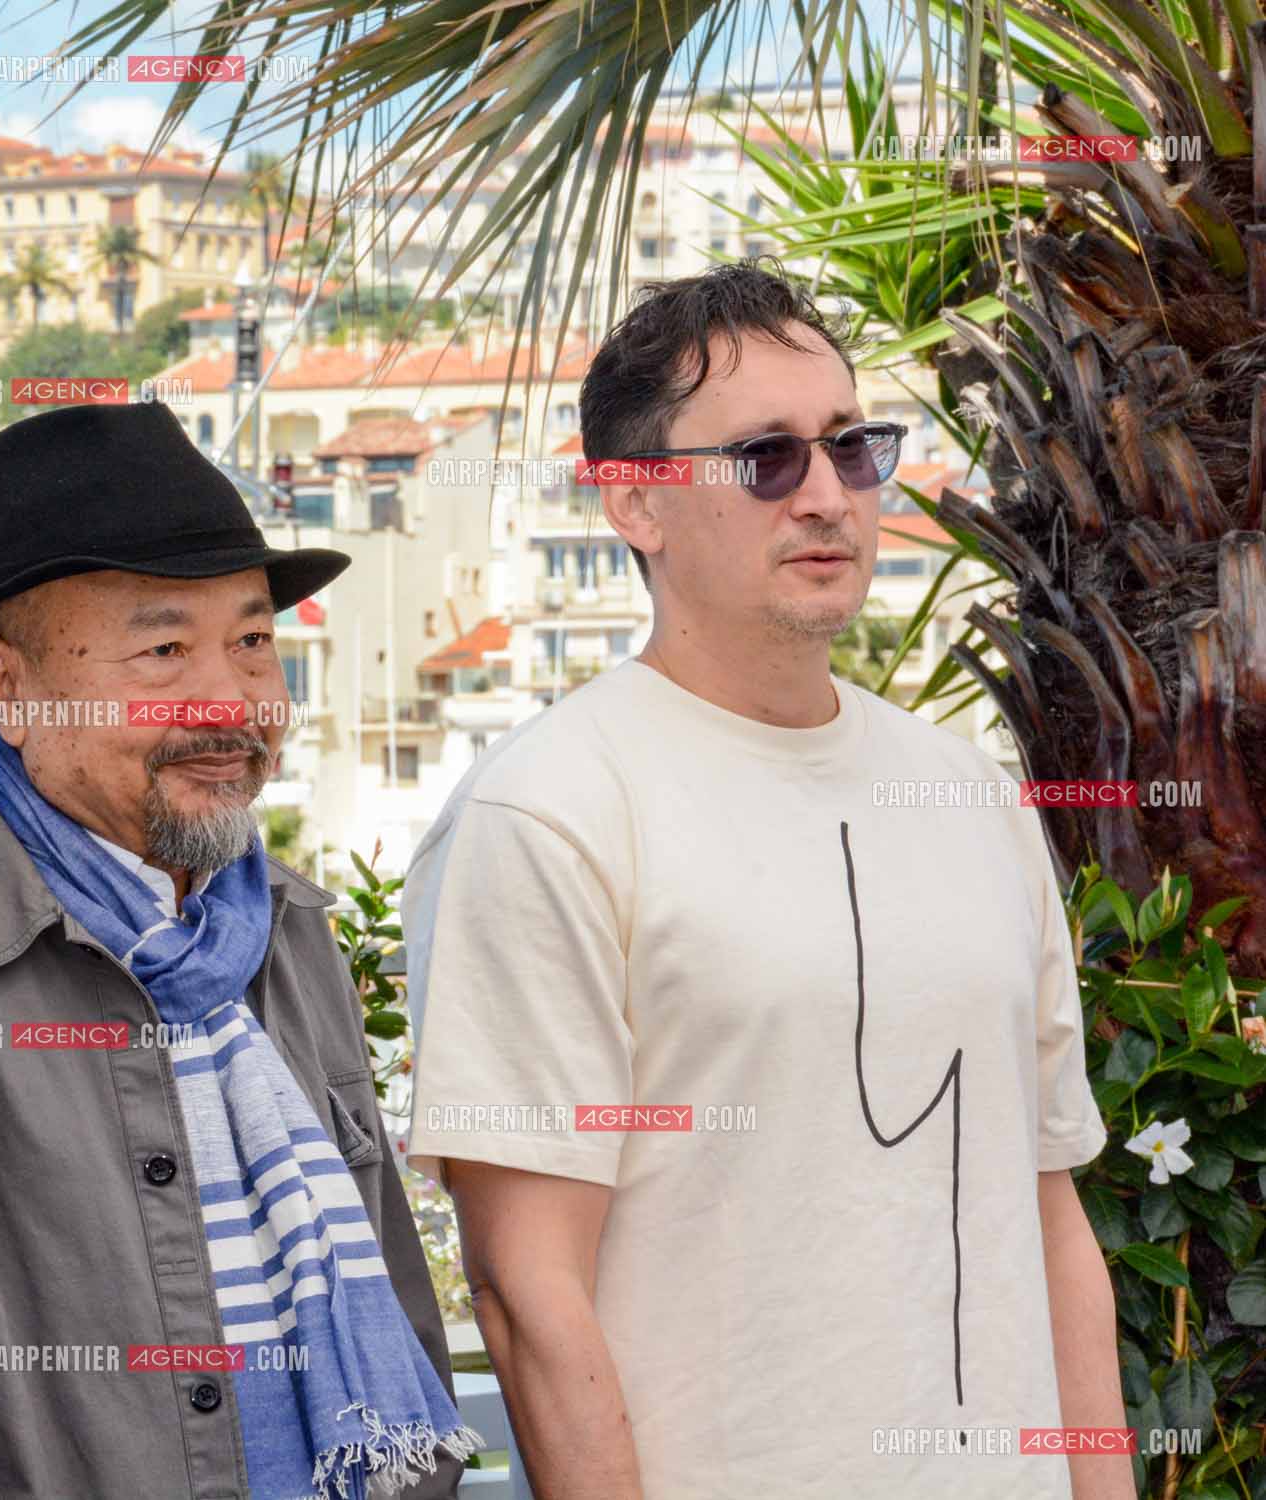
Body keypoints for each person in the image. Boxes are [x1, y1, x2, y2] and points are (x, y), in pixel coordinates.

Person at [402, 260, 1128, 1500]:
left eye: (854, 447)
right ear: (634, 504)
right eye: (766, 458)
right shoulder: (551, 813)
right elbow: (530, 1294)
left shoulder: (971, 796)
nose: (828, 495)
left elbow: (1053, 1218)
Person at [0, 400, 473, 1500]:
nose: (236, 703)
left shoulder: (282, 927)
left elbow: (397, 1303)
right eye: (165, 650)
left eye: (253, 642)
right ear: (6, 688)